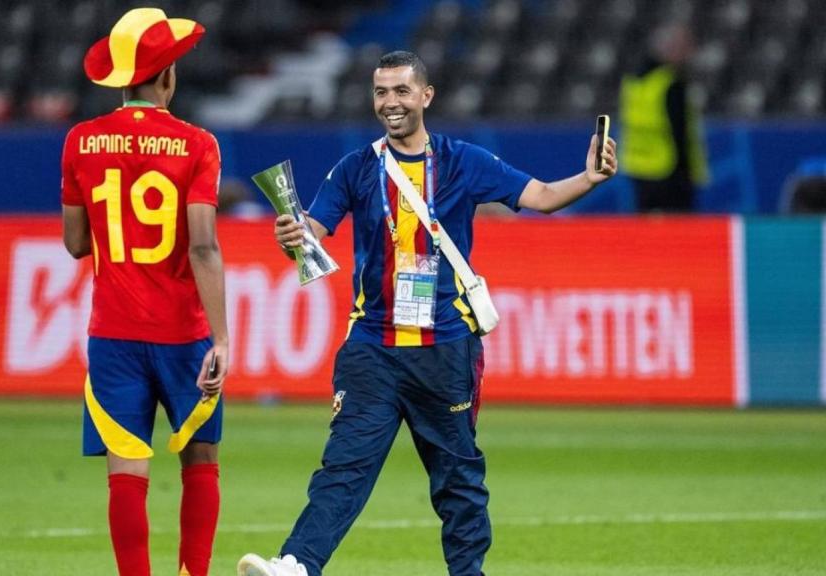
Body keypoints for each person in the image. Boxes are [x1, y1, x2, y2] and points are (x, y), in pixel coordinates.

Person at [238, 50, 616, 576]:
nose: (390, 103)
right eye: (380, 92)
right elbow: (313, 235)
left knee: (458, 480)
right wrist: (291, 237)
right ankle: (297, 565)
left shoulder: (464, 161)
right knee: (344, 467)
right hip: (373, 349)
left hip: (444, 349)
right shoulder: (355, 167)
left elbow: (545, 196)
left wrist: (590, 177)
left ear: (425, 96)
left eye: (400, 91)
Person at [60, 8, 228, 576]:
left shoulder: (80, 141)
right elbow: (203, 247)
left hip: (113, 334)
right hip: (183, 333)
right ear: (167, 77)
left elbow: (76, 243)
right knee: (200, 461)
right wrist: (222, 338)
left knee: (126, 472)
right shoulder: (198, 143)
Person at [619, 21, 709, 212]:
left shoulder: (633, 81)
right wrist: (687, 173)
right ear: (672, 49)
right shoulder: (670, 83)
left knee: (645, 233)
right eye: (685, 47)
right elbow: (679, 130)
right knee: (677, 234)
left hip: (638, 167)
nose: (689, 54)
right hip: (669, 169)